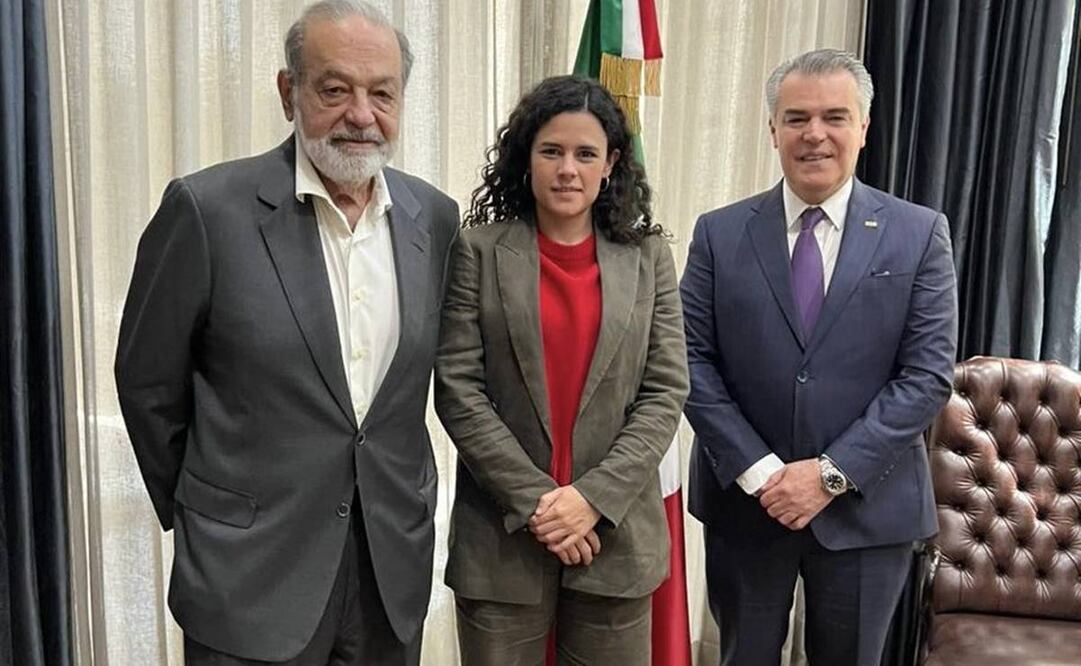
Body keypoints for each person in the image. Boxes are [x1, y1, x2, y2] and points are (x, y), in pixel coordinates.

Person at [114, 1, 459, 664]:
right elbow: (147, 383)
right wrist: (207, 510)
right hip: (247, 578)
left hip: (388, 573)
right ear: (287, 91)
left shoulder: (433, 221)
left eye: (381, 92)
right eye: (334, 89)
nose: (361, 114)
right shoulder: (207, 211)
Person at [681, 48, 958, 665]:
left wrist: (829, 473)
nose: (815, 135)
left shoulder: (919, 233)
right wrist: (763, 474)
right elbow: (690, 361)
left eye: (835, 116)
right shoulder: (719, 234)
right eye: (796, 117)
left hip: (869, 508)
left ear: (863, 127)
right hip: (748, 506)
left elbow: (927, 375)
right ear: (772, 128)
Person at [434, 75, 689, 665]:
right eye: (551, 151)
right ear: (526, 159)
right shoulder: (477, 250)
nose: (567, 169)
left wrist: (592, 501)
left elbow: (665, 389)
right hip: (501, 540)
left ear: (612, 165)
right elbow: (458, 389)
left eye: (585, 154)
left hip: (616, 535)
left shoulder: (649, 258)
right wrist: (542, 505)